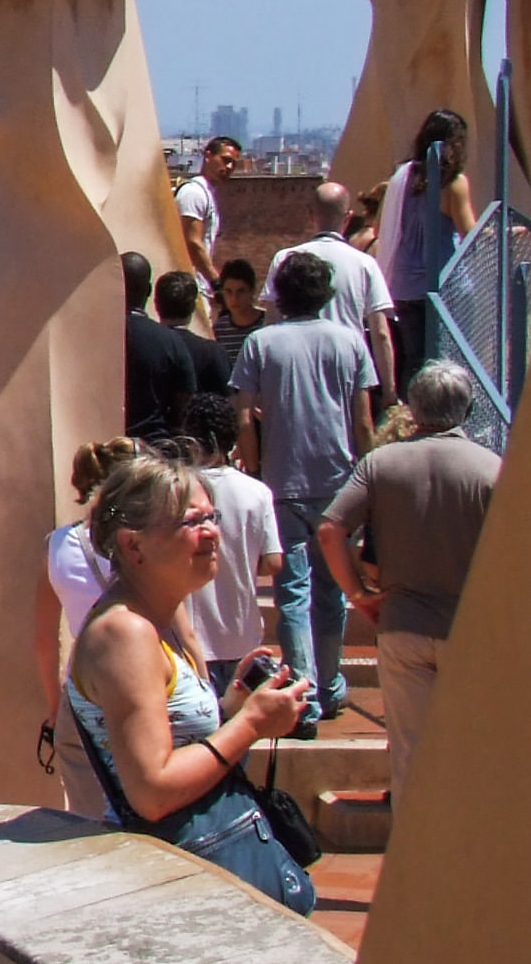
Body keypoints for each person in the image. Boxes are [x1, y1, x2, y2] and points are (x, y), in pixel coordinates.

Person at [64, 452, 317, 912]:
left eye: (212, 517)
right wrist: (251, 725)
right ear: (133, 545)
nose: (212, 532)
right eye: (191, 521)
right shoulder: (124, 633)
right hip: (173, 888)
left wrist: (231, 708)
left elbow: (172, 738)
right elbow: (153, 791)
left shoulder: (162, 616)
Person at [316, 360, 500, 808]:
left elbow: (330, 530)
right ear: (467, 409)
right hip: (470, 627)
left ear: (413, 409)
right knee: (474, 748)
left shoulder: (380, 464)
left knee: (410, 753)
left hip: (403, 624)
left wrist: (358, 594)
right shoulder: (491, 469)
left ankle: (411, 843)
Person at [230, 250, 380, 724]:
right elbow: (362, 421)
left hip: (283, 481)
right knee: (333, 590)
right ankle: (329, 684)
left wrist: (255, 469)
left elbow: (243, 416)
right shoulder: (350, 342)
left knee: (292, 593)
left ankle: (304, 694)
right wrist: (369, 476)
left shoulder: (260, 343)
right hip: (338, 483)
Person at [32, 436, 143, 818]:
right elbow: (184, 628)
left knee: (87, 812)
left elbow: (44, 640)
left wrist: (55, 706)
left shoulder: (55, 545)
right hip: (143, 677)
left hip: (80, 690)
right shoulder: (144, 544)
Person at [377, 109, 479, 382]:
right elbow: (471, 233)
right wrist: (512, 232)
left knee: (415, 363)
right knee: (450, 364)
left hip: (404, 286)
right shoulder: (453, 183)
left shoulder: (402, 179)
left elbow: (380, 228)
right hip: (447, 286)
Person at [182, 390, 278, 671]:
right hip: (242, 635)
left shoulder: (178, 490)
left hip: (191, 639)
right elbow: (273, 562)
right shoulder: (257, 492)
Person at [274, 181, 399, 397]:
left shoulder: (284, 259)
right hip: (348, 371)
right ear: (348, 217)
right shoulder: (365, 264)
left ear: (311, 215)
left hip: (296, 369)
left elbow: (272, 320)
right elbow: (380, 333)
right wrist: (389, 391)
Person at [121, 250, 201, 438]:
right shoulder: (171, 342)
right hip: (153, 446)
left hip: (103, 448)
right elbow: (185, 405)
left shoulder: (93, 337)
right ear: (149, 291)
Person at [174, 133, 242, 287]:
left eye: (234, 164)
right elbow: (192, 242)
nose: (229, 167)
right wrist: (215, 282)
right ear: (208, 156)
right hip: (190, 286)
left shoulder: (207, 193)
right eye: (225, 160)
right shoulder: (194, 192)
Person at [207, 259, 265, 375]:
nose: (234, 298)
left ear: (252, 291)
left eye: (241, 291)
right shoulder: (218, 330)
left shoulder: (268, 323)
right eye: (229, 292)